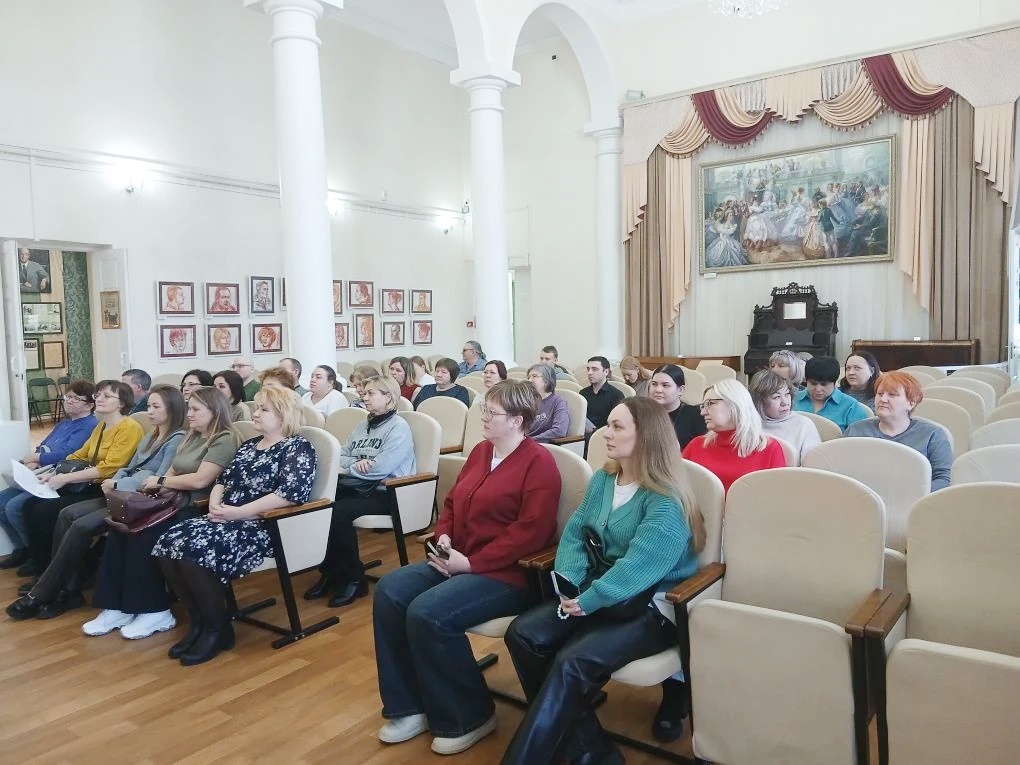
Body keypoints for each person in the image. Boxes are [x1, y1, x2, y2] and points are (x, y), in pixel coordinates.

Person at [501, 397, 706, 765]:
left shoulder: (666, 501)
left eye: (617, 426)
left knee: (571, 661)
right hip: (600, 593)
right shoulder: (604, 479)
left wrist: (588, 600)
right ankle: (592, 751)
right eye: (608, 424)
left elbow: (637, 569)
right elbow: (575, 533)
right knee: (523, 634)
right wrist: (569, 581)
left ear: (645, 436)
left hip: (652, 608)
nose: (605, 433)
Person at [372, 380, 561, 755]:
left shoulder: (539, 464)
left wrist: (472, 563)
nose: (484, 417)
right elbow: (453, 503)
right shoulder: (481, 452)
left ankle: (470, 716)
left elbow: (531, 533)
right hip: (459, 558)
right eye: (483, 409)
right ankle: (409, 706)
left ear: (518, 420)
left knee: (428, 613)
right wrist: (444, 535)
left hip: (508, 574)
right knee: (390, 591)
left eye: (492, 412)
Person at [153, 387, 315, 666]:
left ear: (284, 414)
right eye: (257, 407)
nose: (256, 413)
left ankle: (217, 629)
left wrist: (238, 513)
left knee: (194, 553)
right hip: (227, 518)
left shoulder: (297, 447)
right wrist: (216, 504)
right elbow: (223, 481)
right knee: (168, 542)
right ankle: (199, 621)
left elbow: (289, 495)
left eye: (264, 409)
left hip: (263, 525)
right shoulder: (250, 445)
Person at [6, 386, 187, 621]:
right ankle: (66, 588)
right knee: (66, 514)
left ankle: (44, 592)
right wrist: (115, 481)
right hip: (119, 493)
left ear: (172, 409)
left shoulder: (174, 439)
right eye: (149, 405)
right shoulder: (151, 434)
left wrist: (117, 482)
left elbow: (155, 480)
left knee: (79, 524)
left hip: (140, 501)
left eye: (155, 406)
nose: (149, 411)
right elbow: (128, 466)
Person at [84, 387, 239, 640]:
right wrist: (163, 483)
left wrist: (162, 481)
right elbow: (174, 471)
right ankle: (116, 606)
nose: (189, 414)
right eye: (189, 408)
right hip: (172, 502)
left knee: (143, 535)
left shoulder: (224, 439)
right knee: (120, 529)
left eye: (196, 409)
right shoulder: (192, 436)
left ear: (214, 411)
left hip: (196, 509)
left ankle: (155, 610)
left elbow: (201, 480)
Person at [13, 381, 144, 583]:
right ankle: (43, 566)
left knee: (43, 511)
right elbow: (80, 454)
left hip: (104, 487)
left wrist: (65, 478)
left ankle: (51, 574)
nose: (99, 399)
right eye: (98, 395)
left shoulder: (129, 428)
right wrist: (54, 472)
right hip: (85, 482)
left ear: (121, 403)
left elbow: (110, 468)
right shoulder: (102, 426)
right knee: (30, 505)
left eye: (106, 396)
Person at [304, 376, 415, 609]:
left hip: (389, 493)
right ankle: (331, 573)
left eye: (371, 393)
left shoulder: (399, 427)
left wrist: (353, 467)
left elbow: (381, 468)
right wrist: (358, 464)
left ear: (389, 398)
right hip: (359, 487)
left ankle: (353, 578)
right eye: (364, 393)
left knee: (337, 513)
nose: (365, 397)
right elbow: (341, 456)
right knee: (320, 507)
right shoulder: (362, 425)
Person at [0, 381, 97, 571]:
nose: (69, 401)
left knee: (14, 506)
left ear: (89, 405)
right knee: (1, 501)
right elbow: (44, 445)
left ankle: (33, 552)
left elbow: (68, 454)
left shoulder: (90, 425)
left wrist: (37, 457)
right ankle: (21, 548)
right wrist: (36, 459)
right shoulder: (63, 423)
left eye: (76, 398)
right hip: (40, 471)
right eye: (68, 397)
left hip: (57, 475)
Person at [845, 371, 953, 491]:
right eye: (880, 394)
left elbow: (943, 479)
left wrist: (910, 493)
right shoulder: (856, 430)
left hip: (913, 499)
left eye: (892, 395)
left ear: (911, 403)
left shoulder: (932, 434)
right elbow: (840, 469)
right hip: (862, 497)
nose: (883, 399)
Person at [683, 379, 786, 492]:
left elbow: (777, 496)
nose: (703, 412)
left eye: (710, 403)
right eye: (703, 406)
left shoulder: (769, 449)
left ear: (735, 403)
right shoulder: (696, 445)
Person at [749, 369, 821, 463]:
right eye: (776, 397)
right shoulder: (748, 426)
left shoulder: (804, 425)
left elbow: (814, 464)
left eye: (787, 394)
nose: (785, 402)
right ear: (760, 401)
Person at [792, 356, 870, 431]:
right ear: (806, 381)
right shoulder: (792, 399)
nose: (818, 389)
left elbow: (862, 435)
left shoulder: (850, 406)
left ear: (834, 383)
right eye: (813, 384)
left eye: (824, 384)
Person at [649, 364, 707, 449]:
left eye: (665, 385)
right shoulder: (643, 413)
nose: (658, 390)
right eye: (654, 384)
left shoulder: (696, 416)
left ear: (680, 390)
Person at [526, 364, 569, 443]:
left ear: (546, 380)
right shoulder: (527, 401)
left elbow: (559, 431)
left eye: (534, 376)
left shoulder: (558, 402)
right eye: (528, 377)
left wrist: (530, 441)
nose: (529, 380)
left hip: (541, 445)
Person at [580, 356, 624, 433]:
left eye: (594, 369)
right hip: (583, 435)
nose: (589, 373)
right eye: (588, 369)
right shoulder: (583, 393)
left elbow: (616, 423)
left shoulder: (616, 395)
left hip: (604, 435)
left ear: (606, 372)